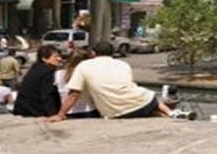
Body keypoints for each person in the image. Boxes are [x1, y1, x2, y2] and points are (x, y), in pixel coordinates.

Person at [45, 41, 176, 122]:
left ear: (93, 53)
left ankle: (168, 114)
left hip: (116, 111)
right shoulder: (123, 64)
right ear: (112, 52)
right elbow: (130, 85)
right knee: (149, 99)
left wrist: (60, 114)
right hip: (142, 102)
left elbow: (74, 93)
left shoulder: (84, 66)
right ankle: (171, 113)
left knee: (141, 108)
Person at [12, 45, 62, 117]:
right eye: (55, 57)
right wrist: (52, 114)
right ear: (44, 58)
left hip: (22, 108)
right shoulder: (48, 71)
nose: (59, 59)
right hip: (36, 110)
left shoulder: (35, 68)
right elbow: (47, 94)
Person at [54, 49, 100, 119]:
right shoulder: (86, 74)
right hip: (88, 110)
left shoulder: (58, 74)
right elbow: (74, 94)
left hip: (67, 111)